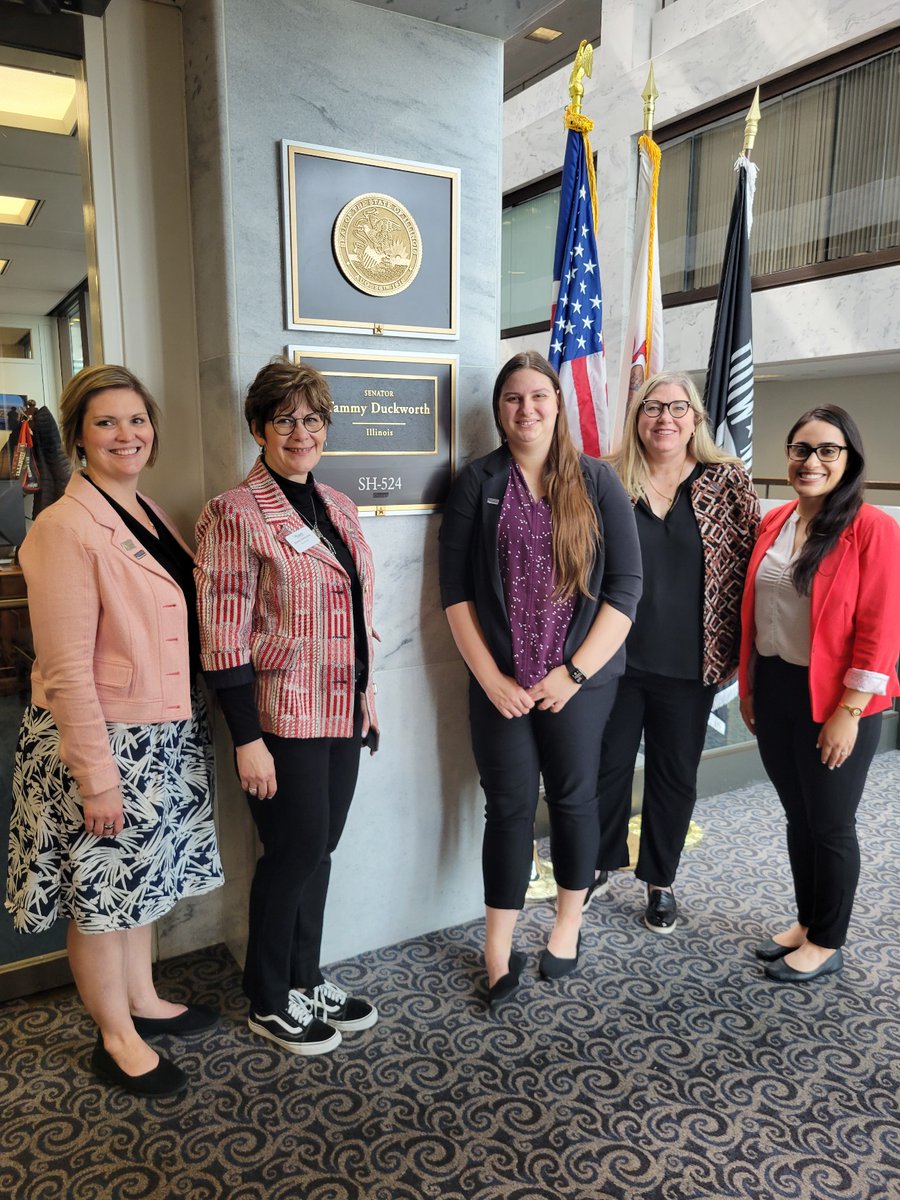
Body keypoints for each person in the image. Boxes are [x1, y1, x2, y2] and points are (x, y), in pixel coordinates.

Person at [6, 364, 223, 1098]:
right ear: (78, 436)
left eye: (136, 419)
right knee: (101, 899)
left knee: (138, 887)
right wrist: (96, 777)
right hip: (99, 742)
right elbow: (66, 668)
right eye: (106, 422)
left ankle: (141, 998)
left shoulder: (144, 510)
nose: (125, 434)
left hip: (156, 736)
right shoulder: (63, 526)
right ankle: (115, 1036)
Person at [439, 351, 642, 1008]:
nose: (526, 410)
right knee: (510, 808)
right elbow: (456, 595)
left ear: (559, 405)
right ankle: (498, 947)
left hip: (578, 683)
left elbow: (626, 589)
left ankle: (567, 924)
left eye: (538, 397)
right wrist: (493, 679)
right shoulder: (478, 483)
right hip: (502, 683)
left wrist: (575, 672)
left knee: (575, 801)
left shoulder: (597, 482)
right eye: (512, 399)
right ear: (499, 412)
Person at [194, 357, 379, 1054]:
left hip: (343, 713)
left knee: (320, 849)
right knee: (293, 849)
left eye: (313, 418)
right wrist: (246, 739)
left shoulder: (338, 506)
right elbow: (222, 637)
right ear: (258, 429)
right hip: (281, 718)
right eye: (285, 419)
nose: (301, 432)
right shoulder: (233, 513)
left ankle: (304, 975)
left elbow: (355, 609)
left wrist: (368, 694)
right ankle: (269, 997)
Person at [591, 372, 760, 933]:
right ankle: (597, 863)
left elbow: (753, 565)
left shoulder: (726, 481)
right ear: (637, 419)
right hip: (612, 661)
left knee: (674, 775)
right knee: (605, 768)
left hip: (692, 665)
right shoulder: (608, 480)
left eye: (677, 408)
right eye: (652, 408)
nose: (665, 418)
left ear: (696, 420)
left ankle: (660, 880)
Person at [739, 405, 900, 982]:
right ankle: (807, 921)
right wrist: (752, 686)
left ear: (849, 459)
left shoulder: (872, 527)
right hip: (777, 685)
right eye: (801, 449)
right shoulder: (775, 520)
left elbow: (881, 631)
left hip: (838, 699)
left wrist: (849, 711)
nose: (812, 461)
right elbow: (758, 610)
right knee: (797, 815)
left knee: (830, 822)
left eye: (827, 450)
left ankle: (827, 940)